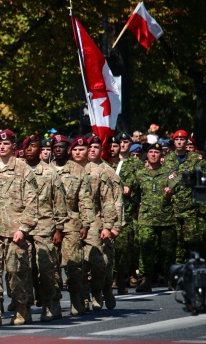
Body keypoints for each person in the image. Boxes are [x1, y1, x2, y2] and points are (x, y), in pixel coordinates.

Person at [0, 129, 38, 327]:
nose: (2, 147)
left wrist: (24, 228)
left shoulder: (23, 169)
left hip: (15, 231)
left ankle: (21, 308)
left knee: (15, 271)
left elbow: (32, 202)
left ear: (13, 146)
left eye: (6, 143)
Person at [21, 135, 67, 321]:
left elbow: (59, 202)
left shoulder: (50, 173)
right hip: (23, 227)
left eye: (34, 146)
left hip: (45, 226)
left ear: (41, 150)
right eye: (27, 146)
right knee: (25, 268)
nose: (30, 149)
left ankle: (51, 304)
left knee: (46, 268)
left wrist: (59, 228)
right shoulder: (18, 171)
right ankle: (27, 306)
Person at [47, 134, 94, 316]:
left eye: (62, 147)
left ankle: (76, 298)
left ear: (68, 150)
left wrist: (86, 224)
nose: (58, 149)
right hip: (49, 225)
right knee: (51, 268)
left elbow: (84, 199)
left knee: (74, 266)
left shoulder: (77, 170)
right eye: (55, 147)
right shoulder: (45, 170)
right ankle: (55, 303)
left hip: (71, 224)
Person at [133, 143, 178, 292]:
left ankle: (169, 278)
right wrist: (134, 208)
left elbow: (176, 184)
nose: (153, 155)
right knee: (146, 248)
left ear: (161, 155)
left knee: (167, 250)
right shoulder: (140, 174)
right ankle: (145, 279)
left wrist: (170, 189)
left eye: (156, 152)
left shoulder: (169, 173)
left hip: (166, 217)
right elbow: (134, 192)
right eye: (151, 152)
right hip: (146, 217)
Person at [86, 136, 121, 310]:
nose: (92, 150)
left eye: (95, 147)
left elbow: (116, 200)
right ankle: (88, 294)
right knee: (83, 262)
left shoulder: (108, 171)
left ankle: (104, 289)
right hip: (79, 224)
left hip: (100, 222)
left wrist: (115, 225)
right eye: (89, 147)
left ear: (101, 150)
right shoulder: (76, 168)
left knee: (103, 261)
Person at [164, 130, 206, 265]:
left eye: (182, 140)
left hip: (190, 207)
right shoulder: (168, 159)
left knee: (192, 241)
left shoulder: (195, 159)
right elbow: (164, 178)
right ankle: (178, 272)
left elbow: (201, 177)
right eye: (177, 140)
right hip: (173, 207)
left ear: (187, 141)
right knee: (176, 243)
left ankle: (193, 268)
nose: (179, 142)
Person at [107, 132, 143, 294]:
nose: (121, 145)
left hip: (126, 212)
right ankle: (110, 278)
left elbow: (140, 185)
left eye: (124, 142)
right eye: (117, 143)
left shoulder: (135, 164)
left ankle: (121, 277)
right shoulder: (106, 165)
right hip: (107, 212)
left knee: (124, 249)